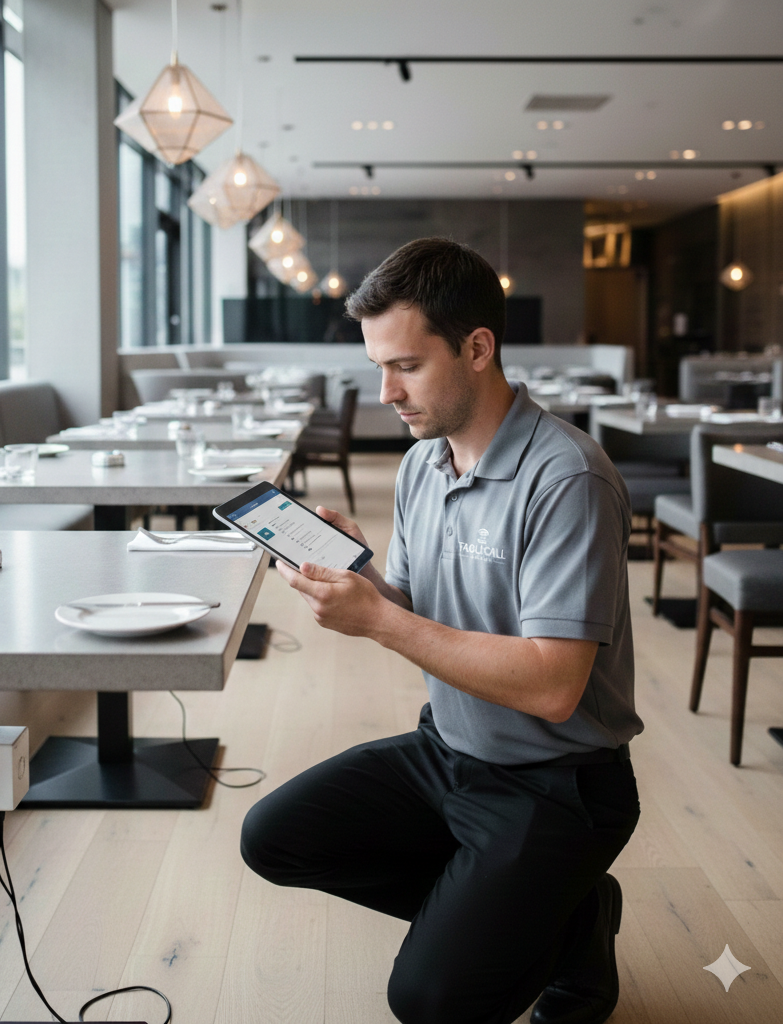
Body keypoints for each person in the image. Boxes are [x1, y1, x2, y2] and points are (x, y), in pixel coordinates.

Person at [240, 237, 643, 1024]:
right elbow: (416, 607)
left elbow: (556, 687)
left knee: (427, 1001)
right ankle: (570, 918)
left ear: (478, 348)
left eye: (407, 366)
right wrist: (366, 586)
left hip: (558, 784)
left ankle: (564, 909)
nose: (386, 391)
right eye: (377, 367)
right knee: (273, 837)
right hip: (449, 751)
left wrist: (380, 622)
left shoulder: (568, 479)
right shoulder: (426, 463)